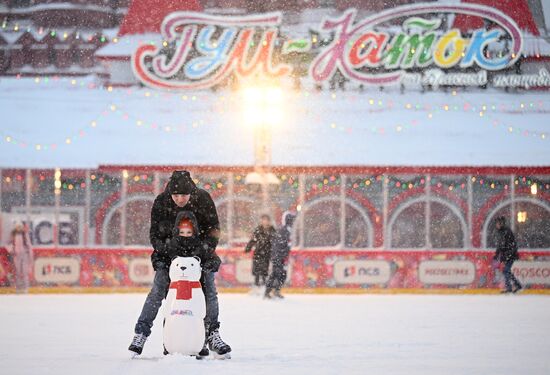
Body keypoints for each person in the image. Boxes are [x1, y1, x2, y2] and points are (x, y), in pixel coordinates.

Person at [129, 171, 231, 357]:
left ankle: (212, 334)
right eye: (176, 195)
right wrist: (169, 252)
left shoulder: (203, 198)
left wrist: (203, 251)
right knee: (159, 290)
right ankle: (141, 333)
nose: (180, 199)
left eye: (184, 195)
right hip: (168, 256)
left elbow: (214, 229)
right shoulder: (162, 201)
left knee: (209, 290)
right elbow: (155, 235)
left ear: (191, 192)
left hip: (201, 255)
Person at [265, 212, 296, 299]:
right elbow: (277, 245)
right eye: (291, 219)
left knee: (282, 274)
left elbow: (286, 245)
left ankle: (276, 290)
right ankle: (268, 292)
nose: (292, 221)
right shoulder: (283, 230)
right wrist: (279, 256)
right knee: (276, 274)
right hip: (278, 257)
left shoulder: (288, 230)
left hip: (282, 257)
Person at [245, 214, 276, 287]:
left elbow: (275, 241)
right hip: (258, 252)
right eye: (263, 220)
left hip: (267, 253)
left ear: (269, 221)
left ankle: (264, 285)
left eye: (266, 220)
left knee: (264, 270)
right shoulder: (258, 229)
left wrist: (274, 251)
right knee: (257, 270)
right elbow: (253, 240)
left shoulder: (272, 230)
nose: (265, 222)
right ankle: (256, 284)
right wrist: (248, 248)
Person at [493, 216, 522, 294]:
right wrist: (497, 254)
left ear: (501, 223)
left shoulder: (507, 231)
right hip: (507, 255)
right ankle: (518, 285)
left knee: (506, 270)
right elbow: (500, 245)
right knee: (507, 271)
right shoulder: (500, 232)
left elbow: (511, 245)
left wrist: (508, 255)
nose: (496, 225)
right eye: (496, 223)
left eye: (498, 223)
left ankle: (509, 287)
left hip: (510, 255)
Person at [6, 221, 33, 293]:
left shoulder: (24, 234)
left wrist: (30, 255)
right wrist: (12, 250)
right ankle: (18, 288)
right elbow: (8, 244)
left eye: (20, 226)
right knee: (17, 272)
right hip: (16, 255)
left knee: (25, 272)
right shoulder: (13, 234)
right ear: (15, 227)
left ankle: (25, 288)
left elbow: (29, 245)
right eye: (17, 226)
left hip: (24, 255)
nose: (19, 228)